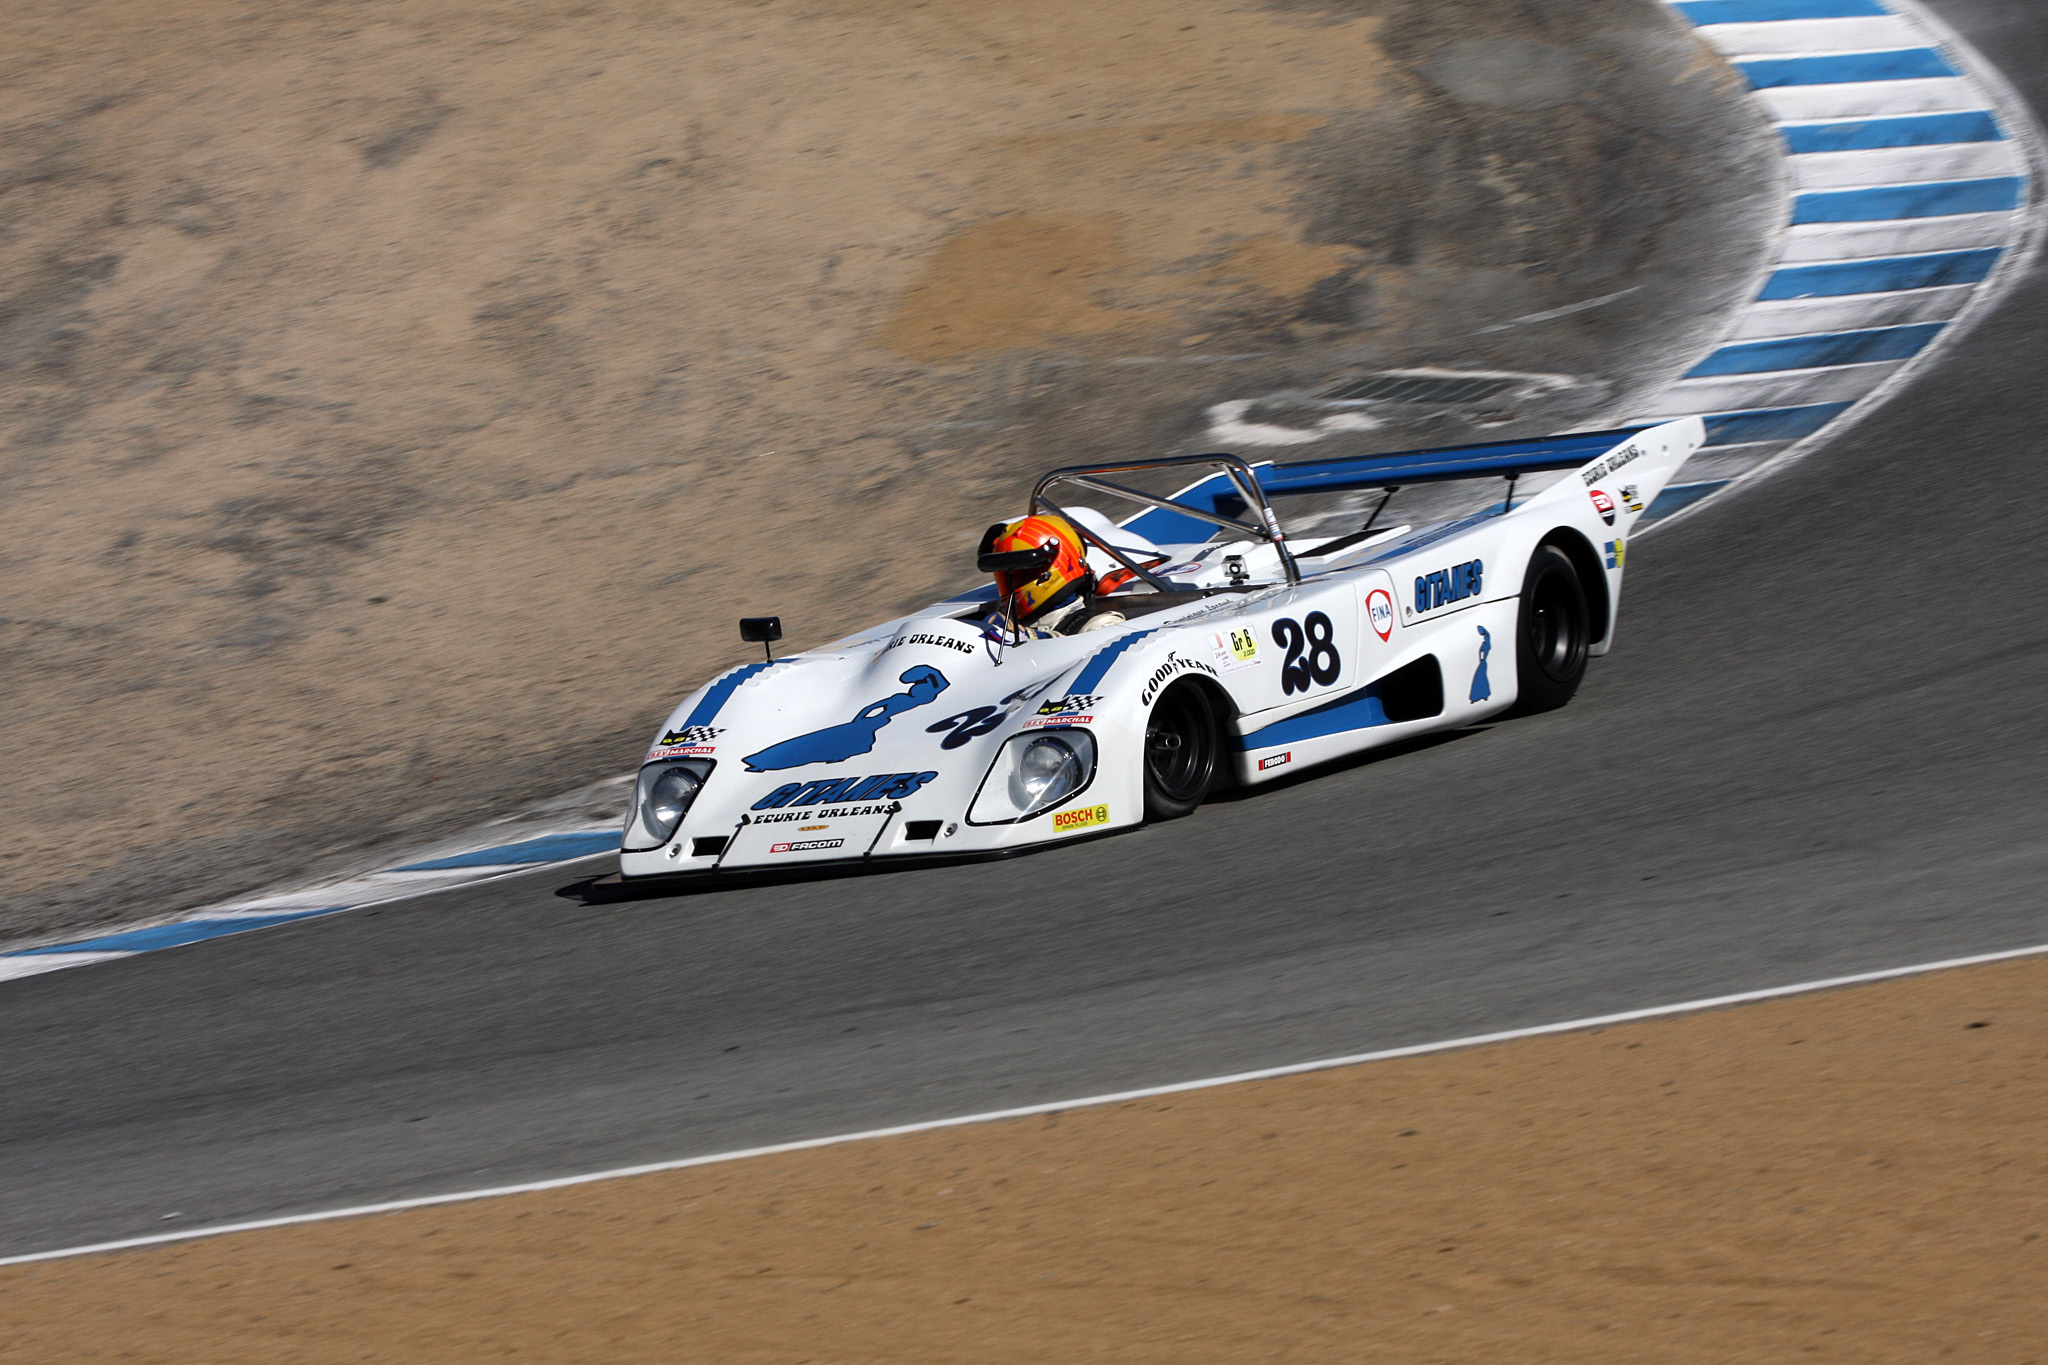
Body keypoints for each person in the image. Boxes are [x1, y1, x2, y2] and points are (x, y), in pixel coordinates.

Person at [977, 514, 1129, 637]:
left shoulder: (1103, 624)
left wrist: (1030, 637)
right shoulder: (1001, 622)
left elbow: (1106, 650)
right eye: (1006, 577)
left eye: (1022, 574)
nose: (1013, 582)